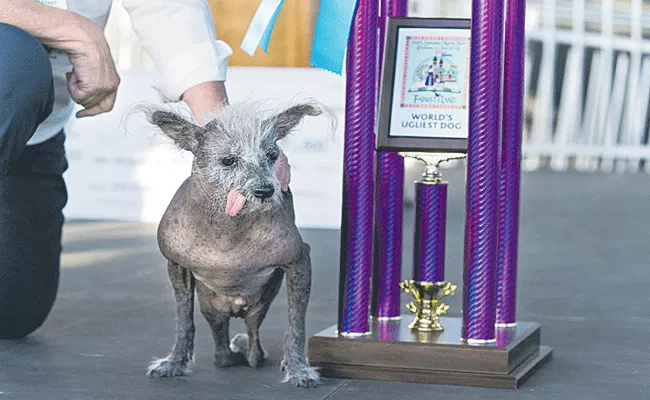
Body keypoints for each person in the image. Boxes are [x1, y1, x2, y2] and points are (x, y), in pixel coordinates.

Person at [0, 0, 290, 340]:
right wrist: (73, 29)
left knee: (16, 310)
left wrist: (226, 131)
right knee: (15, 59)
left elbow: (166, 6)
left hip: (33, 133)